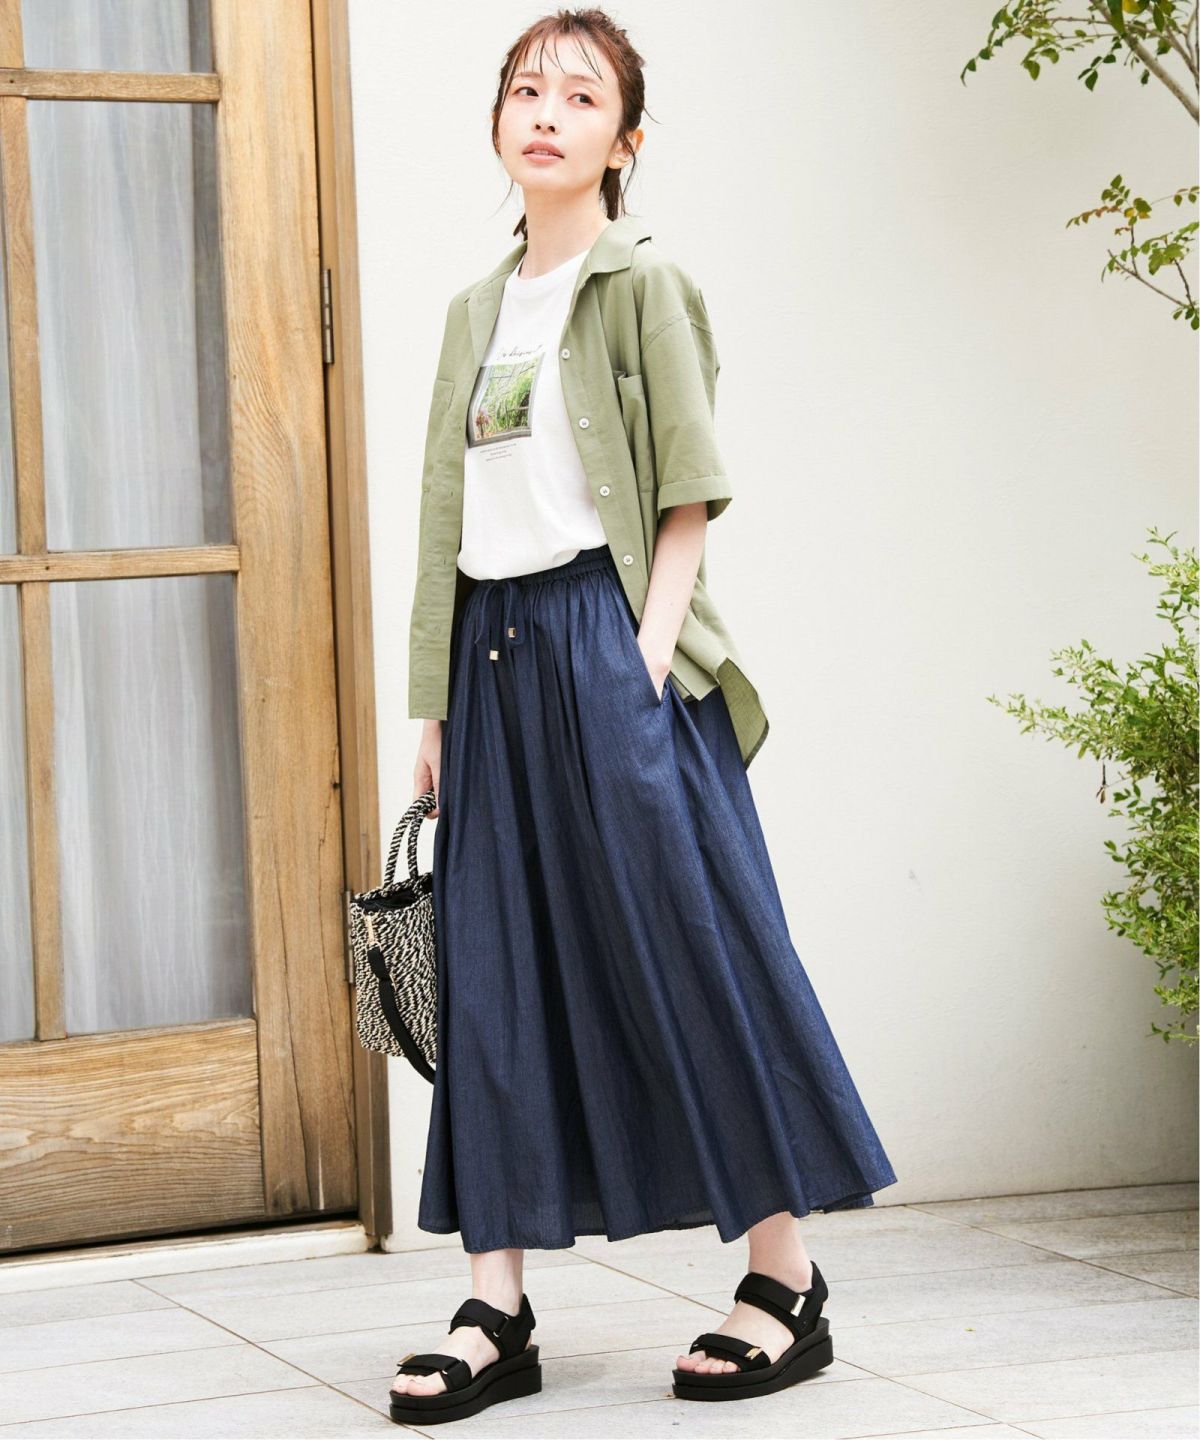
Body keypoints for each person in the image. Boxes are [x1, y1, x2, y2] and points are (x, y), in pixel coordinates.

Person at [389, 7, 898, 1426]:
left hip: (612, 648)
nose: (545, 113)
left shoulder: (644, 284)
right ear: (499, 124)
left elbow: (688, 492)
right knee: (493, 970)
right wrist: (431, 701)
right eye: (525, 90)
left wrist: (639, 663)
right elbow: (443, 513)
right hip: (492, 659)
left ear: (624, 139)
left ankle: (784, 1278)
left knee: (697, 953)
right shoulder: (473, 312)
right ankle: (495, 1305)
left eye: (579, 95)